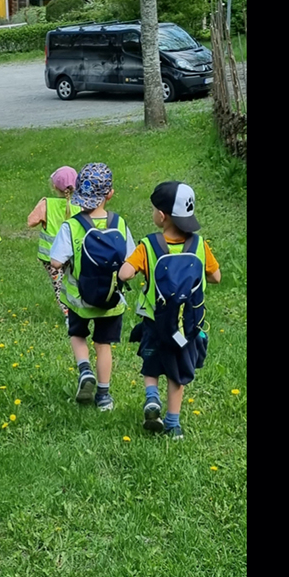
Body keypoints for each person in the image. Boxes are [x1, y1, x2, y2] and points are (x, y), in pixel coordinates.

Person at [118, 181, 221, 440]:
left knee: (151, 365)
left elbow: (125, 273)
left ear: (161, 216)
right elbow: (216, 276)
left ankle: (152, 398)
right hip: (187, 326)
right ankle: (174, 425)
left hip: (156, 323)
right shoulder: (199, 245)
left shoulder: (149, 246)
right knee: (177, 375)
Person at [49, 163, 134, 412]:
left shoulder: (72, 226)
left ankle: (85, 369)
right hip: (111, 301)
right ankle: (104, 396)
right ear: (110, 194)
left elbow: (55, 261)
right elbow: (130, 260)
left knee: (77, 335)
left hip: (79, 300)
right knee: (103, 344)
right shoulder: (119, 223)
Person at [28, 166, 82, 320]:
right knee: (73, 282)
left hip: (51, 257)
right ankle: (78, 310)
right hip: (74, 253)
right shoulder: (81, 204)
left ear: (54, 186)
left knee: (59, 286)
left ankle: (67, 316)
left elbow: (31, 222)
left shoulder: (47, 204)